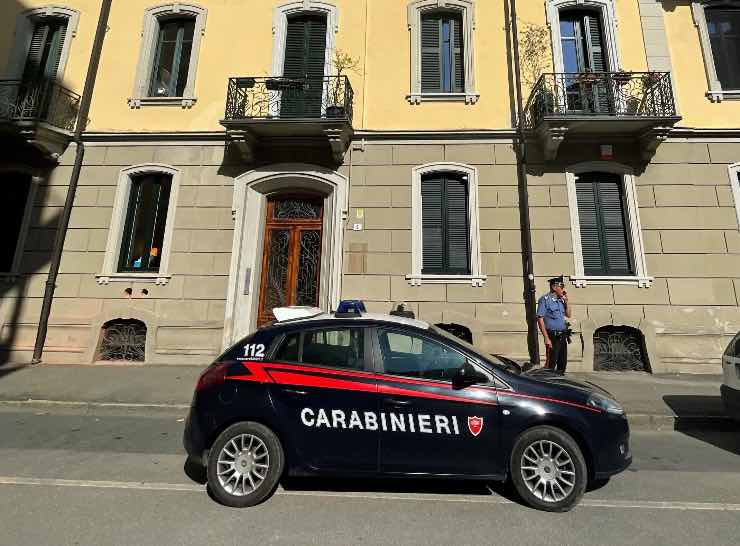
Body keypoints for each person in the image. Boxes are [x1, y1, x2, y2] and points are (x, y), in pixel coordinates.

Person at [536, 275, 571, 374]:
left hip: (562, 335)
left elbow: (568, 315)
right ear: (554, 287)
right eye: (561, 286)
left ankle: (560, 383)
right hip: (552, 336)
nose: (563, 289)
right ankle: (547, 384)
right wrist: (546, 338)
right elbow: (540, 319)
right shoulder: (545, 299)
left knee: (562, 362)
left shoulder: (561, 300)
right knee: (551, 363)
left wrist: (567, 301)